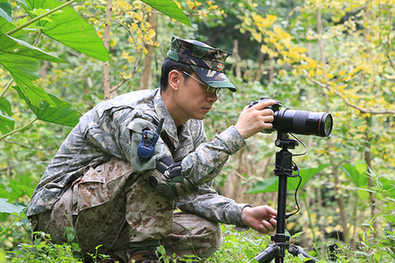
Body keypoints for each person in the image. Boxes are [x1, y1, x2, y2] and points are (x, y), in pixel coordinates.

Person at [27, 36, 277, 263]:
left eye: (217, 91)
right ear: (175, 79)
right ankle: (143, 257)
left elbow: (190, 190)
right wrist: (236, 135)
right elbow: (168, 181)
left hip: (109, 217)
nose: (213, 97)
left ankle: (118, 258)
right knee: (148, 168)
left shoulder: (192, 125)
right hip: (58, 218)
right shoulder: (135, 116)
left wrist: (242, 213)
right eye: (206, 87)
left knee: (205, 232)